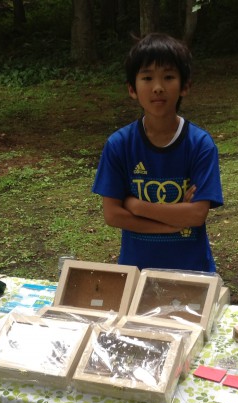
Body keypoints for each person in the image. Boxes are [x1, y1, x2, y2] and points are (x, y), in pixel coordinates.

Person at [91, 32, 223, 273]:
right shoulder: (119, 144)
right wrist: (173, 223)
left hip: (193, 272)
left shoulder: (200, 144)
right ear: (132, 89)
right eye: (147, 78)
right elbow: (113, 215)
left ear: (185, 86)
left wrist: (137, 206)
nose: (158, 88)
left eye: (169, 77)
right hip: (136, 272)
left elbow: (195, 215)